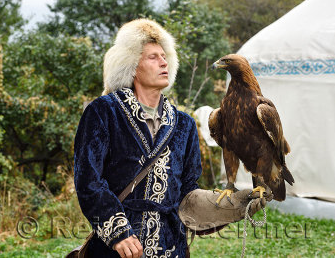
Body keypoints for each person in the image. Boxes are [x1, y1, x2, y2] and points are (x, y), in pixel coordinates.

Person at [74, 19, 270, 258]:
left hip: (172, 248)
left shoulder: (184, 124)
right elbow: (88, 180)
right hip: (118, 250)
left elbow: (187, 192)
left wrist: (224, 208)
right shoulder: (104, 112)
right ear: (132, 66)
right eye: (152, 57)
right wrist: (119, 233)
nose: (163, 61)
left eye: (164, 56)